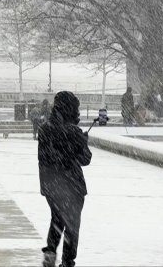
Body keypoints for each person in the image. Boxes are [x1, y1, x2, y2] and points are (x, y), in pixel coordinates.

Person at [39, 91, 92, 267]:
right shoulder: (74, 132)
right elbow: (85, 159)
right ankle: (68, 261)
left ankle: (50, 254)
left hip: (51, 185)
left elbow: (45, 158)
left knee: (57, 220)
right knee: (71, 226)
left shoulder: (45, 128)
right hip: (72, 186)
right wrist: (83, 142)